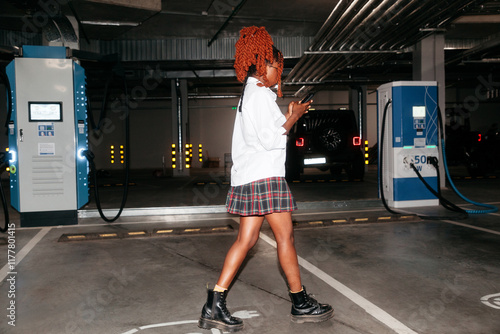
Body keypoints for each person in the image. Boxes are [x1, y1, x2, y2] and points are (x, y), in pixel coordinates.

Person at [198, 26, 334, 332]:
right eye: (277, 68)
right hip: (264, 177)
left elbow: (270, 132)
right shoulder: (258, 94)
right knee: (285, 237)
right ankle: (300, 303)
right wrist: (295, 116)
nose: (279, 74)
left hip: (253, 176)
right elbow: (273, 139)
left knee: (246, 240)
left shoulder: (254, 94)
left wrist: (289, 113)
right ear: (265, 66)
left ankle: (214, 304)